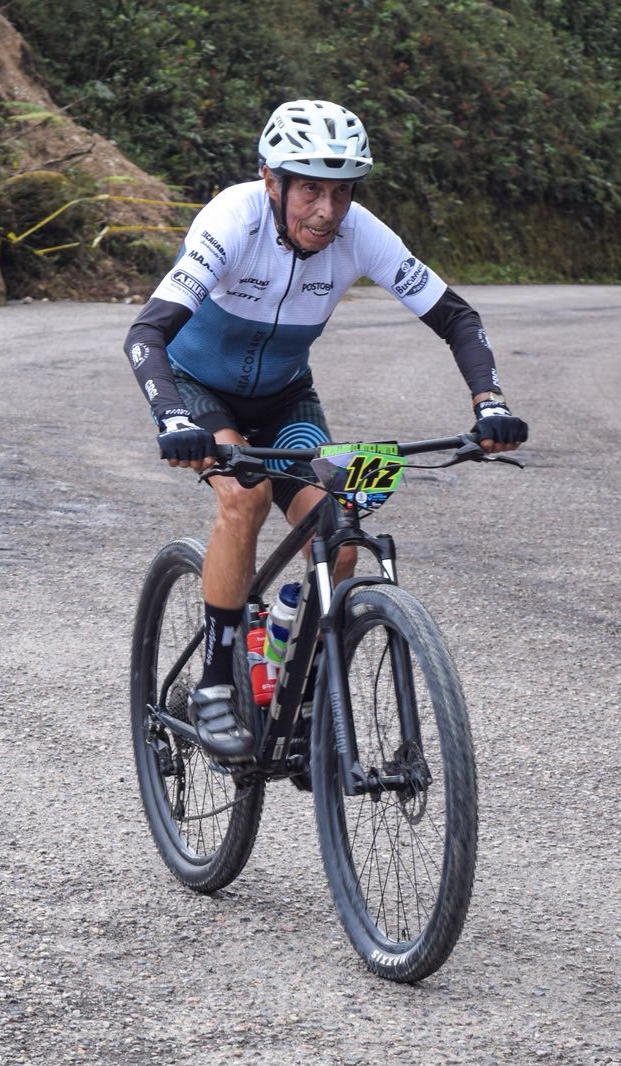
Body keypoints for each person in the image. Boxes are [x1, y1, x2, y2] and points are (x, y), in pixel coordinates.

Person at [123, 98, 528, 762]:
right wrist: (173, 418)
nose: (326, 211)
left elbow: (456, 316)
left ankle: (298, 685)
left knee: (337, 537)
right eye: (309, 188)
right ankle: (217, 684)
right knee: (244, 497)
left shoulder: (360, 234)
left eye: (341, 193)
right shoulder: (231, 221)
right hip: (199, 392)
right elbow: (147, 334)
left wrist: (489, 404)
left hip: (285, 403)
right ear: (271, 180)